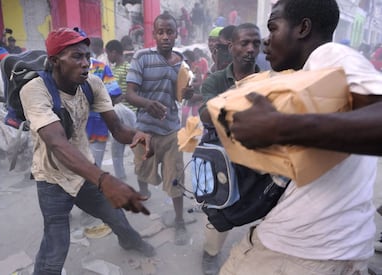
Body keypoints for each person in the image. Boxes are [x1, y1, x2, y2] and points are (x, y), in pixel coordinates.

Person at [220, 0, 382, 274]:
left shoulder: (328, 55)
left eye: (273, 28)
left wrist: (280, 127)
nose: (266, 41)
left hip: (304, 253)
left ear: (303, 28)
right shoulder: (306, 78)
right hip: (318, 247)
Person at [19, 27, 156, 274]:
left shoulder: (92, 84)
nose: (85, 64)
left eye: (87, 56)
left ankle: (131, 242)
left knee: (116, 217)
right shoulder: (34, 90)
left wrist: (137, 136)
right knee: (55, 247)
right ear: (54, 61)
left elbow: (116, 128)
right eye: (76, 57)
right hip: (52, 178)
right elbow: (57, 143)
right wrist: (105, 179)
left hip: (84, 172)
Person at [198, 23, 262, 275]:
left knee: (261, 204)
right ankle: (210, 254)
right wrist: (241, 101)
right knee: (219, 208)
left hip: (257, 156)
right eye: (244, 43)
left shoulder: (268, 79)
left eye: (255, 43)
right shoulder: (215, 79)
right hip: (222, 157)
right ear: (231, 46)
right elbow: (205, 114)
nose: (250, 49)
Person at [126, 12, 194, 246]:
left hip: (171, 131)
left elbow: (182, 95)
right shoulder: (142, 58)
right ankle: (143, 197)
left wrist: (189, 93)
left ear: (176, 34)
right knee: (142, 170)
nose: (165, 36)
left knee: (176, 178)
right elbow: (130, 94)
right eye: (161, 32)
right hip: (145, 131)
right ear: (154, 34)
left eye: (170, 32)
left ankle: (179, 221)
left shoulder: (181, 61)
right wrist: (147, 104)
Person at [105, 39, 137, 179]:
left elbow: (135, 90)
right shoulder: (112, 70)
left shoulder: (127, 68)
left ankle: (142, 177)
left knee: (136, 148)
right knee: (116, 150)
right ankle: (121, 179)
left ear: (114, 52)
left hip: (129, 113)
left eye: (108, 53)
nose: (108, 57)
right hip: (117, 114)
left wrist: (122, 97)